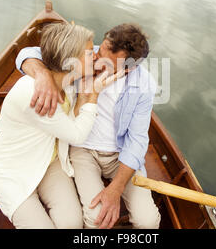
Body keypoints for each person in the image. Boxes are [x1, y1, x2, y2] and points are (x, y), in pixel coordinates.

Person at [16, 23, 161, 229]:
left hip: (120, 155)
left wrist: (116, 189)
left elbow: (137, 140)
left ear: (129, 68)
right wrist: (43, 75)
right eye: (100, 51)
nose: (97, 61)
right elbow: (27, 53)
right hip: (83, 148)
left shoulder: (144, 84)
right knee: (95, 219)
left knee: (148, 221)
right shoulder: (86, 55)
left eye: (109, 63)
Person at [0, 22, 121, 229]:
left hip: (49, 161)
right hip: (12, 172)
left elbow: (34, 52)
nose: (94, 55)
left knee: (72, 224)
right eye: (88, 53)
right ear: (70, 61)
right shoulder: (36, 95)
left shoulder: (69, 81)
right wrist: (93, 95)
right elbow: (77, 135)